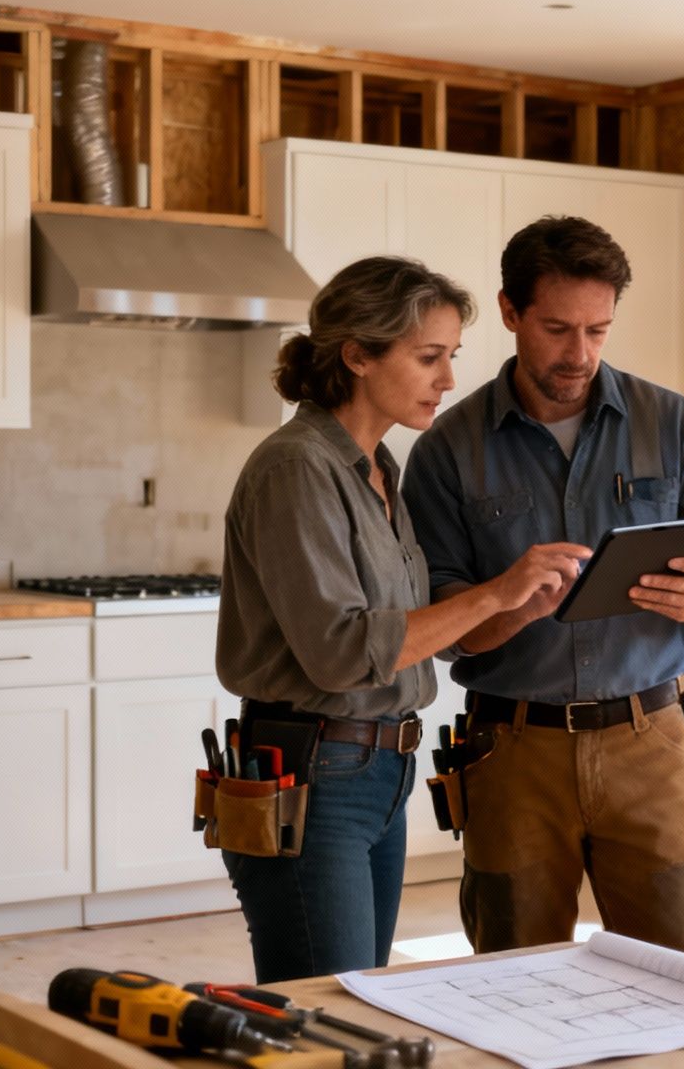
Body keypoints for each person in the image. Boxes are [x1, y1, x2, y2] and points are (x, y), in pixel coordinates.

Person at [215, 255, 588, 983]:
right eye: (427, 357)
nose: (447, 380)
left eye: (451, 357)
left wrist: (517, 605)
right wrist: (491, 593)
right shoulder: (298, 469)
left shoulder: (379, 467)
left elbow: (413, 632)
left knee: (360, 1008)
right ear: (357, 354)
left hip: (379, 772)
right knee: (331, 1015)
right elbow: (341, 653)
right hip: (315, 776)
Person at [402, 216, 684, 960]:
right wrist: (508, 599)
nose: (580, 355)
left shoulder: (675, 426)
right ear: (509, 312)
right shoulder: (447, 451)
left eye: (598, 330)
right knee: (514, 979)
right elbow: (446, 629)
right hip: (512, 751)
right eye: (558, 328)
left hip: (651, 742)